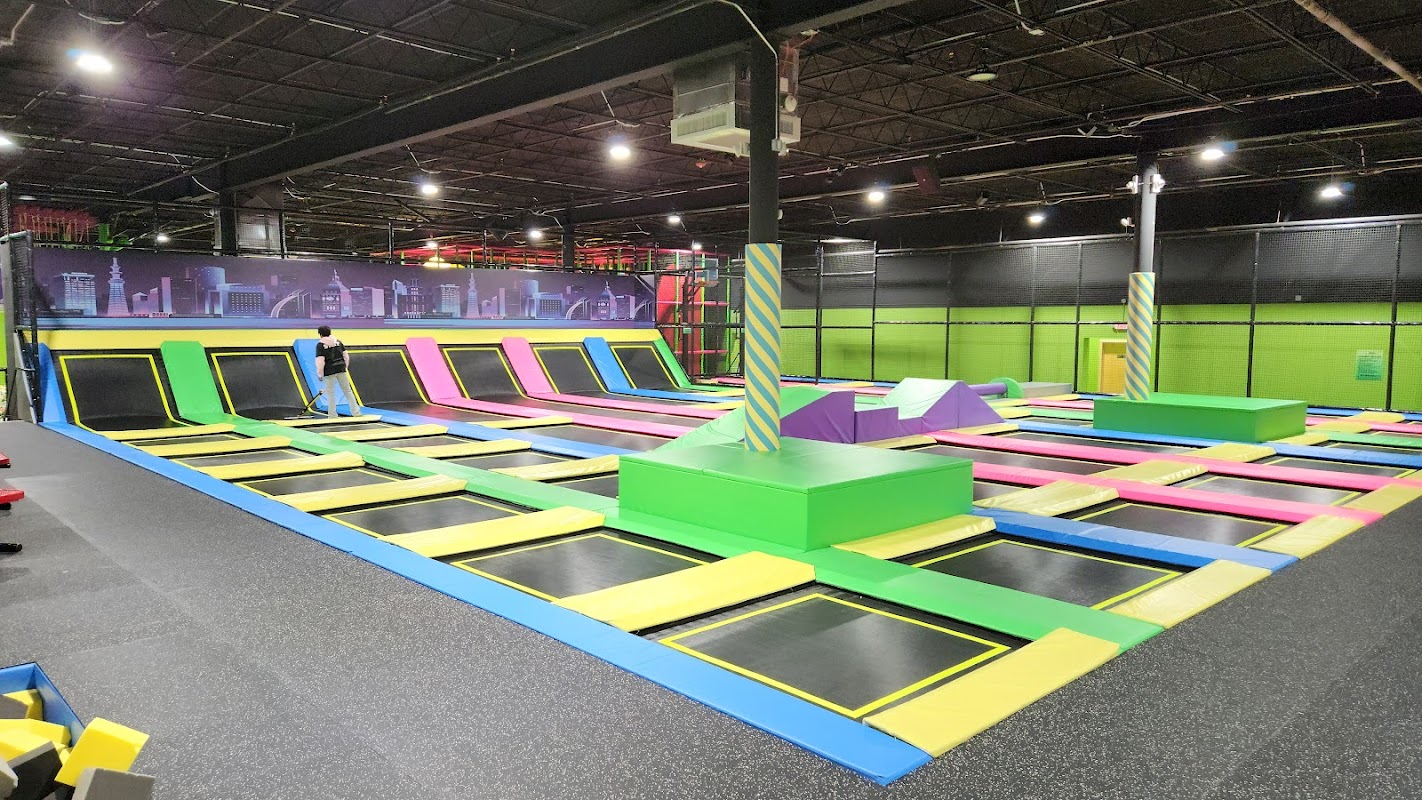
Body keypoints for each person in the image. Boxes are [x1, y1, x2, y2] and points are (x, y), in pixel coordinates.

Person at [314, 325, 355, 418]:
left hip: (329, 370)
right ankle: (356, 412)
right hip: (341, 368)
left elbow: (320, 361)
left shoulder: (320, 345)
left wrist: (319, 373)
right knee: (348, 391)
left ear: (320, 334)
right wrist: (344, 367)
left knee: (331, 393)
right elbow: (346, 356)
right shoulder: (338, 342)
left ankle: (332, 415)